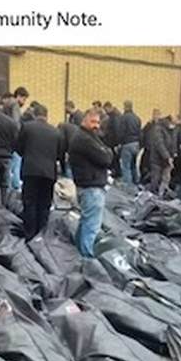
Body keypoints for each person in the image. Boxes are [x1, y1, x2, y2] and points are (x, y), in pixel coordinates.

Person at [69, 108, 114, 257]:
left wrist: (106, 151)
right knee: (91, 226)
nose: (96, 125)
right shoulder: (84, 139)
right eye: (93, 121)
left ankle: (78, 253)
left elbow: (106, 153)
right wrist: (106, 152)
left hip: (87, 186)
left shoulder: (88, 137)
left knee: (85, 222)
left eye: (98, 122)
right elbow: (106, 158)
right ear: (84, 120)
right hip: (91, 187)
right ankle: (86, 258)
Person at [18, 104, 61, 240]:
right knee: (44, 203)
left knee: (29, 202)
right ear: (46, 116)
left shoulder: (27, 127)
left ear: (34, 114)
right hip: (49, 172)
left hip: (30, 170)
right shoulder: (55, 132)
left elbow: (18, 147)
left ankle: (30, 234)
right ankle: (42, 234)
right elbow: (59, 154)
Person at [4, 86, 30, 188]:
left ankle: (8, 186)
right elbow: (16, 123)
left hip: (6, 139)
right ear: (18, 96)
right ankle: (16, 186)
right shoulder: (15, 105)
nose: (24, 102)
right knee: (16, 164)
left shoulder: (6, 104)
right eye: (24, 99)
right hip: (14, 140)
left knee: (9, 166)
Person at [149, 115, 176, 196]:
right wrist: (167, 156)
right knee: (156, 178)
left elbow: (173, 143)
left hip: (167, 159)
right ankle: (153, 194)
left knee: (166, 178)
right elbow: (159, 144)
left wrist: (173, 154)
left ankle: (161, 194)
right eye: (173, 122)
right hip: (157, 159)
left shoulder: (170, 130)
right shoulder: (158, 129)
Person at [118, 100, 142, 185]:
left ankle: (127, 184)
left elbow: (121, 132)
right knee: (133, 165)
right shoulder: (137, 118)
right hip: (136, 143)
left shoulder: (124, 118)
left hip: (127, 143)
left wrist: (119, 143)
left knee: (126, 166)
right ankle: (136, 181)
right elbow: (140, 132)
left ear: (125, 107)